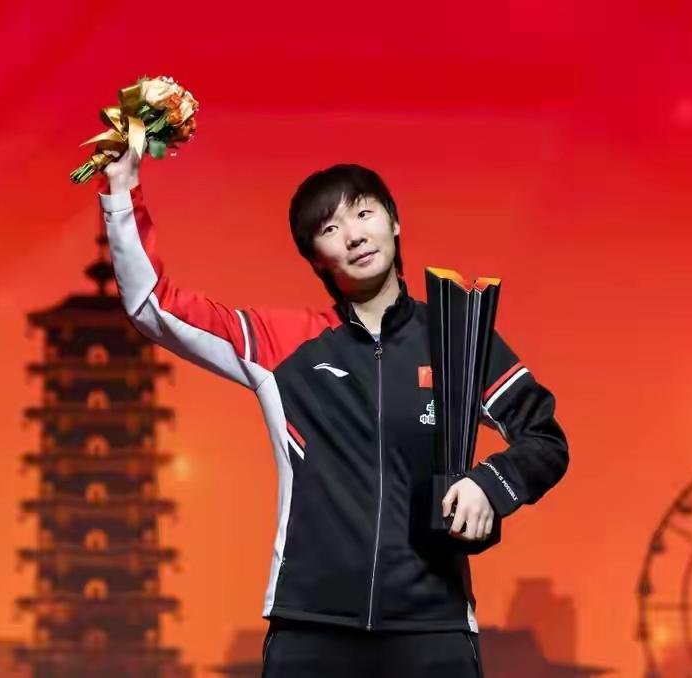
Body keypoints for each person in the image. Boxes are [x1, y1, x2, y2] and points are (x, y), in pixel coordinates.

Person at [96, 145, 569, 678]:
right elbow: (152, 306)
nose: (355, 236)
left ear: (395, 223)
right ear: (316, 258)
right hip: (310, 628)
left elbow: (544, 439)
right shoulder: (282, 344)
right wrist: (123, 189)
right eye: (330, 228)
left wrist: (490, 484)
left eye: (365, 213)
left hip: (433, 629)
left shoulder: (457, 336)